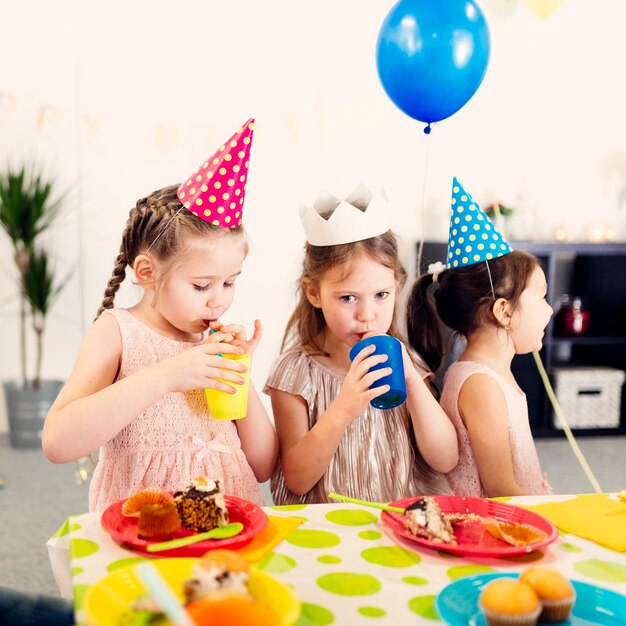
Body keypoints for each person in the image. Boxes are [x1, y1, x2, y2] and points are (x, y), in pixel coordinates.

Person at [43, 119, 278, 511]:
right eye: (202, 286)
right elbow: (57, 442)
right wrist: (167, 376)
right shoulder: (118, 332)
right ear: (148, 273)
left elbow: (264, 464)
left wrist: (240, 372)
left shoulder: (211, 344)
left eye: (230, 283)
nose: (217, 301)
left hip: (225, 521)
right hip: (144, 523)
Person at [265, 185, 458, 505]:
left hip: (402, 520)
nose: (367, 315)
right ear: (314, 293)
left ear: (396, 286)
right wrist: (342, 409)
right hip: (328, 526)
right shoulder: (295, 373)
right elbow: (297, 480)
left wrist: (413, 380)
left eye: (381, 295)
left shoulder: (405, 361)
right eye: (348, 297)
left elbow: (445, 459)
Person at [407, 178, 552, 498]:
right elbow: (501, 489)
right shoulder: (482, 386)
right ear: (503, 311)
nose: (550, 310)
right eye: (542, 298)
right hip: (491, 527)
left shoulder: (491, 373)